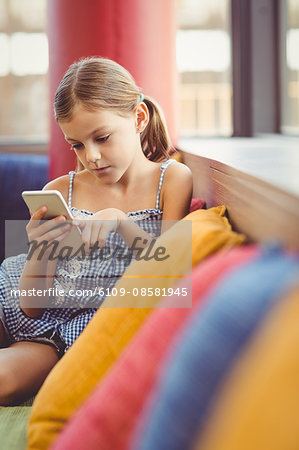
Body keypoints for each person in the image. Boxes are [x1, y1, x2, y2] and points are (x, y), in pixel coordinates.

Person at [0, 57, 193, 405]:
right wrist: (40, 251)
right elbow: (31, 307)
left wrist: (120, 220)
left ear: (138, 118)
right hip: (22, 304)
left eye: (102, 138)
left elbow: (168, 275)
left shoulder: (172, 180)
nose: (91, 156)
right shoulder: (61, 189)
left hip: (84, 331)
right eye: (76, 144)